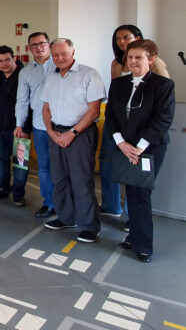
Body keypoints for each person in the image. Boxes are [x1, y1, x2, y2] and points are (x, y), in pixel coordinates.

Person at [104, 39, 174, 263]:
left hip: (150, 147)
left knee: (141, 193)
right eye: (130, 57)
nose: (133, 61)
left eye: (138, 57)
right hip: (124, 146)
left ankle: (143, 245)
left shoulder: (163, 85)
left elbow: (162, 119)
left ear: (151, 60)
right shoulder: (118, 84)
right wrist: (121, 143)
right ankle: (134, 236)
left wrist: (139, 147)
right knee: (130, 192)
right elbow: (112, 116)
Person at [100, 25, 170, 221]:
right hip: (117, 128)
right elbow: (115, 99)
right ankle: (111, 206)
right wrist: (119, 137)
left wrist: (139, 143)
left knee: (137, 181)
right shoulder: (116, 63)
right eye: (118, 39)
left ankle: (134, 219)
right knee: (108, 166)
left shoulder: (155, 65)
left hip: (141, 132)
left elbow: (162, 100)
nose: (122, 42)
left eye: (126, 37)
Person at [41, 38, 105, 243]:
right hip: (56, 133)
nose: (59, 58)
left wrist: (72, 133)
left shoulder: (89, 74)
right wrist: (50, 131)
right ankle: (66, 217)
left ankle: (89, 226)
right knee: (59, 178)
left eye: (64, 54)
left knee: (81, 181)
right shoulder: (51, 77)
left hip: (80, 134)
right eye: (55, 55)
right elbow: (46, 108)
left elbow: (94, 110)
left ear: (73, 52)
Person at [15, 31, 57, 219]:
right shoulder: (26, 72)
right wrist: (19, 124)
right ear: (29, 48)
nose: (38, 47)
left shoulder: (60, 64)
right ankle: (49, 203)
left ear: (49, 44)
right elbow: (22, 100)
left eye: (42, 43)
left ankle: (68, 202)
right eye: (34, 45)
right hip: (40, 126)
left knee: (66, 167)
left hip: (65, 126)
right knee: (45, 167)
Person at [0, 46, 31, 207]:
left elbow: (30, 104)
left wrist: (25, 128)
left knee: (20, 163)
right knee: (0, 162)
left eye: (7, 59)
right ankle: (3, 188)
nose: (4, 63)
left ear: (14, 58)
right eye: (0, 61)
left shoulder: (24, 76)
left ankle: (18, 194)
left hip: (19, 129)